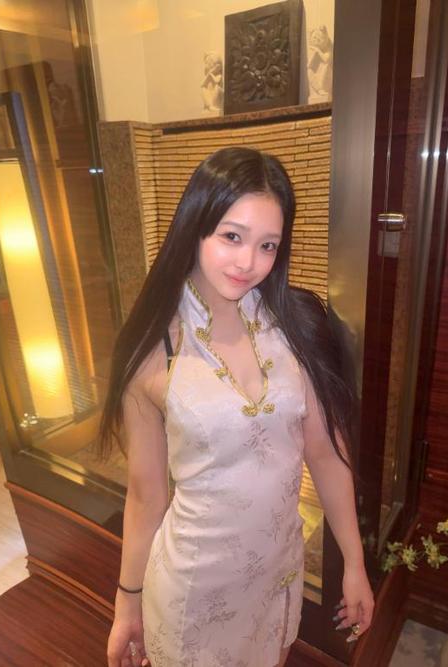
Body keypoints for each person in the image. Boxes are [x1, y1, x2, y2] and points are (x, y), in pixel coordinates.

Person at [100, 147, 374, 667]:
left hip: (276, 573)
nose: (249, 262)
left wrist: (354, 563)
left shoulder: (294, 326)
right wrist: (126, 603)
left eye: (267, 245)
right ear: (195, 227)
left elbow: (325, 452)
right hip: (193, 589)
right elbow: (146, 494)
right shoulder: (154, 348)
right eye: (232, 236)